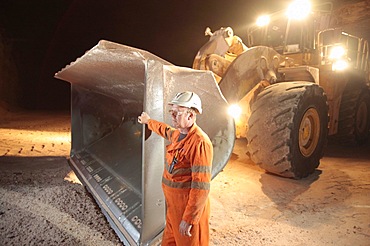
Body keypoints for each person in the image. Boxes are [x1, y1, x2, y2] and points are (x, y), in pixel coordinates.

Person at [138, 91, 213, 246]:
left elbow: (201, 187)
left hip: (186, 207)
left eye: (177, 113)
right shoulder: (178, 134)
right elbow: (164, 129)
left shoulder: (199, 143)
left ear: (191, 116)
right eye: (171, 112)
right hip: (173, 206)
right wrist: (148, 121)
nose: (172, 116)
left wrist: (189, 218)